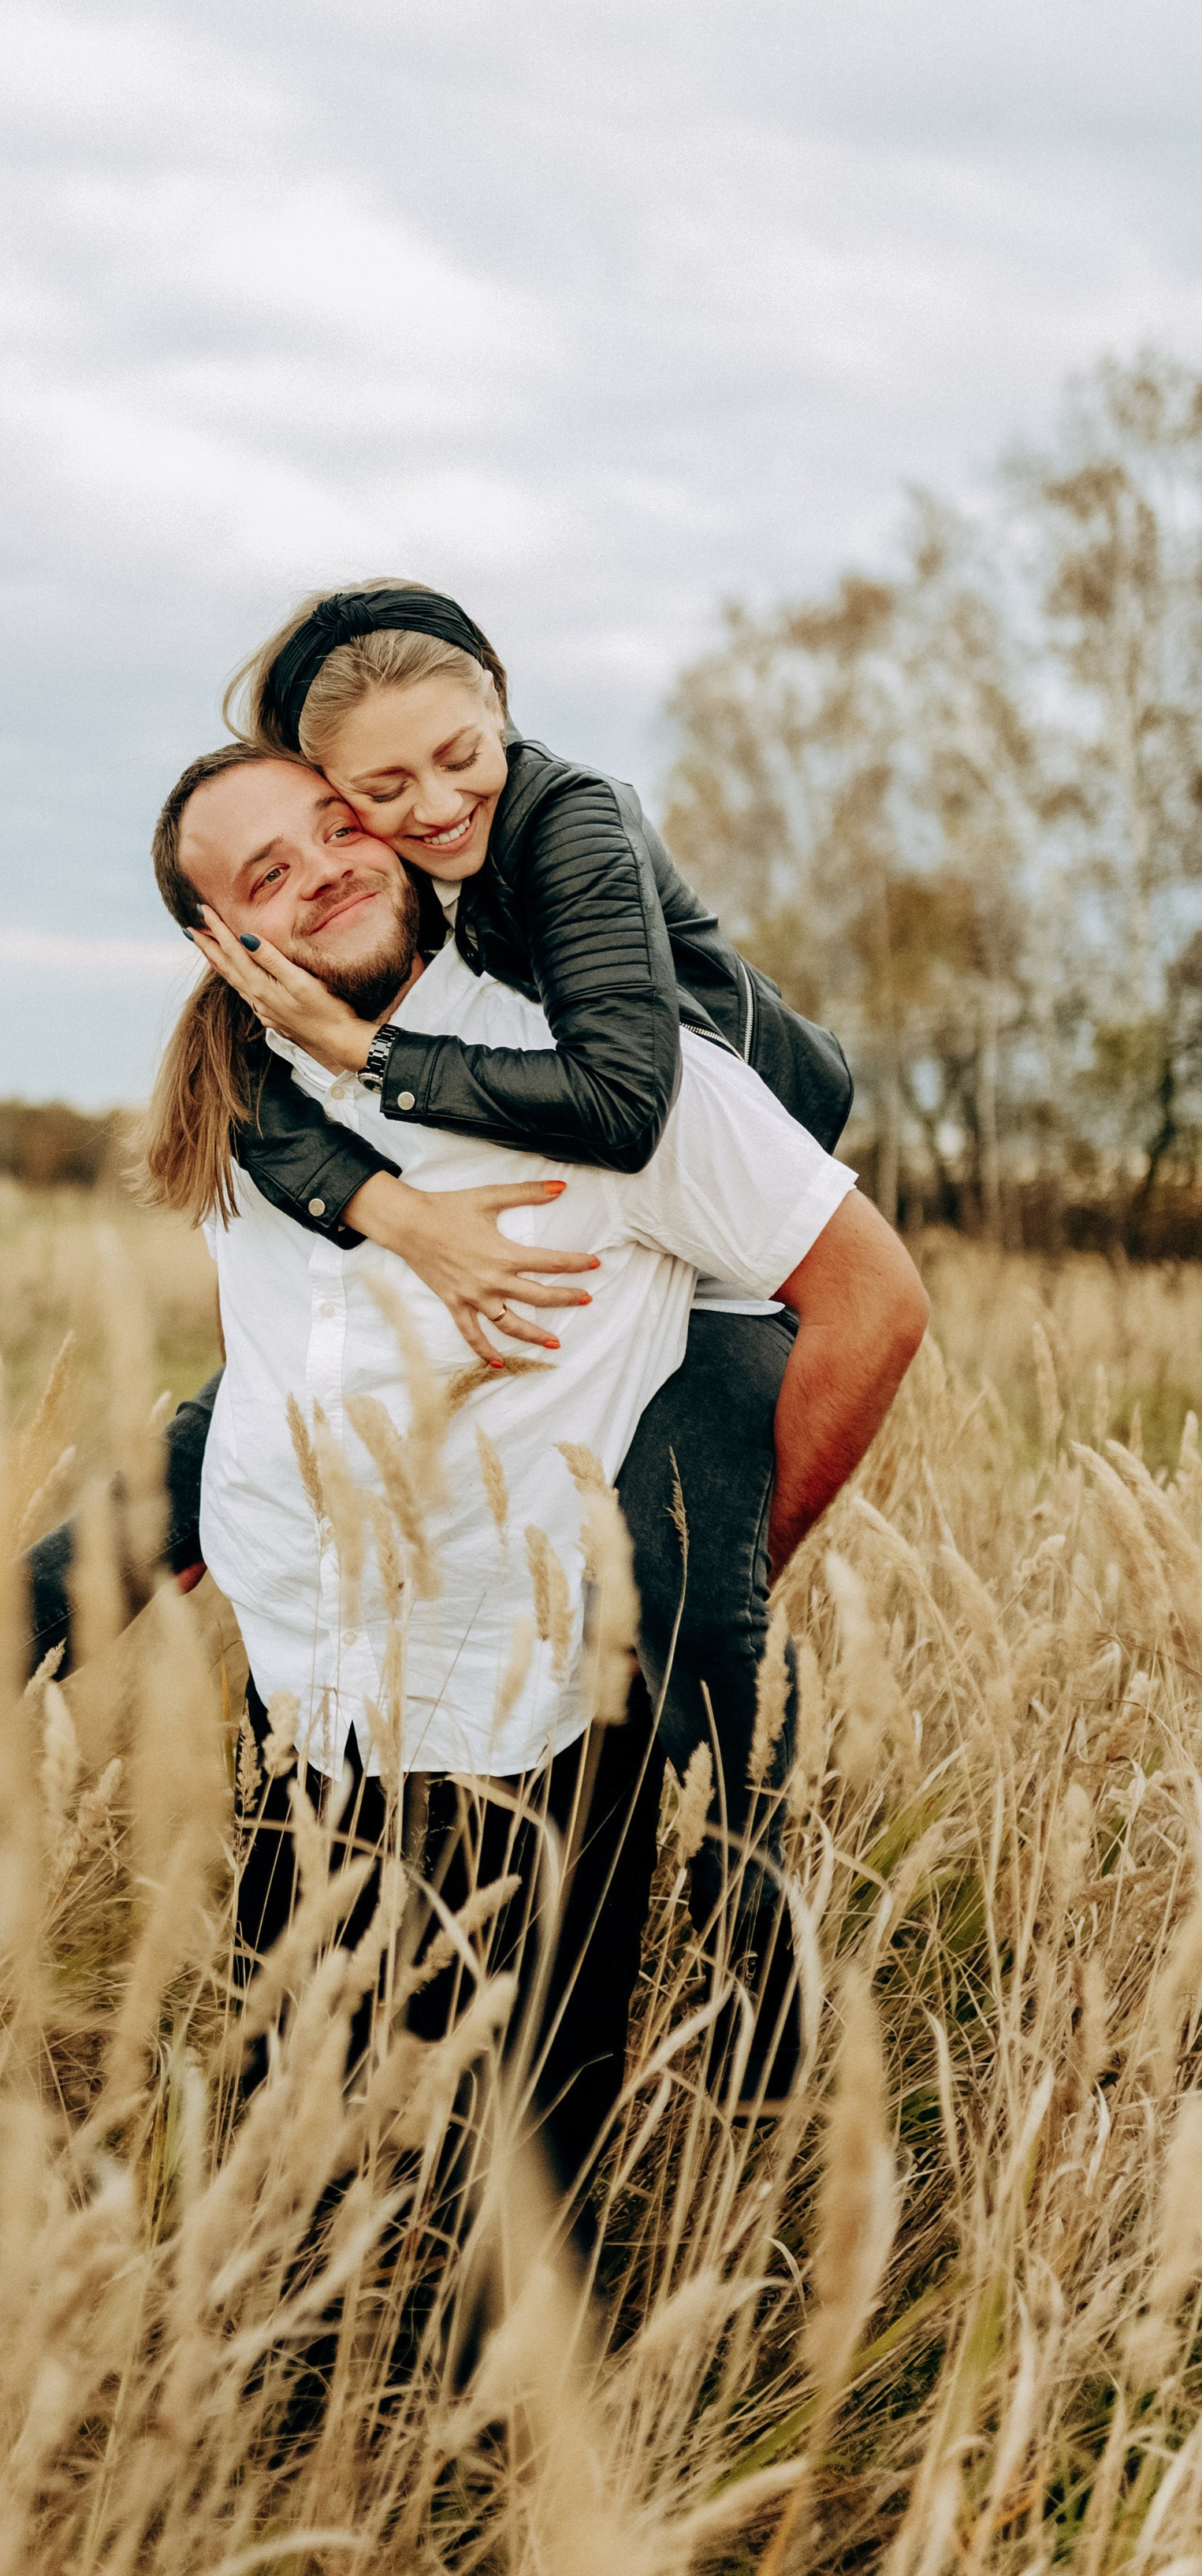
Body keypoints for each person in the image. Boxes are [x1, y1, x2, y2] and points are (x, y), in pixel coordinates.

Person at [48, 577, 858, 2094]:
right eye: (373, 795)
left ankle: (750, 1916)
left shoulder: (562, 832)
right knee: (195, 1459)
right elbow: (272, 1138)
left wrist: (382, 1057)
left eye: (451, 761)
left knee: (689, 1579)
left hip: (743, 1207)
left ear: (501, 700)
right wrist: (396, 1209)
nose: (425, 810)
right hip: (331, 1709)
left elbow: (630, 1106)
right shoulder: (273, 1054)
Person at [153, 742, 925, 2239]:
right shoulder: (239, 1101)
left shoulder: (601, 1074)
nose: (324, 869)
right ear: (219, 940)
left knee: (502, 2226)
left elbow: (871, 1305)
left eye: (337, 826)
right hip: (308, 1702)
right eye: (267, 872)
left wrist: (715, 1567)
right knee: (282, 2166)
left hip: (534, 1723)